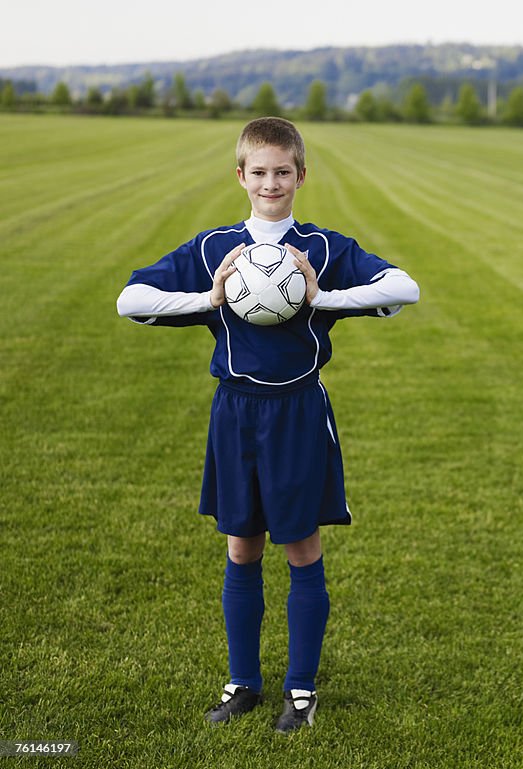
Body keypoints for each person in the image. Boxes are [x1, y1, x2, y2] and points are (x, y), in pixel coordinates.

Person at [116, 116, 419, 733]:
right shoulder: (211, 250)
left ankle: (301, 693)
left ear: (301, 176)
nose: (272, 183)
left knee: (301, 547)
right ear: (241, 176)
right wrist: (209, 299)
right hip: (235, 412)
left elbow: (404, 288)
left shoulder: (325, 249)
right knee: (241, 545)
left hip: (299, 413)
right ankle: (242, 684)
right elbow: (131, 300)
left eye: (283, 172)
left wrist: (319, 296)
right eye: (260, 172)